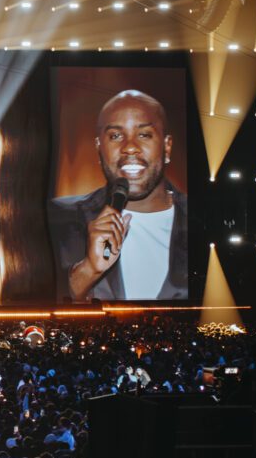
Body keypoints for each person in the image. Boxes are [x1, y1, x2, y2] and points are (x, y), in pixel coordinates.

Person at [48, 90, 187, 301]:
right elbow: (40, 304)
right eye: (115, 136)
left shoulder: (201, 219)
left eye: (144, 134)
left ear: (167, 147)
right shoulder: (56, 217)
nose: (130, 148)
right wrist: (89, 269)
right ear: (99, 147)